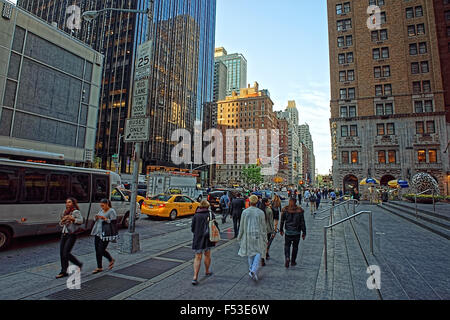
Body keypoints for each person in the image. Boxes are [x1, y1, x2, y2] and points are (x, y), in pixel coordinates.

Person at [237, 195, 267, 281]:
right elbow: (263, 226)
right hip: (258, 234)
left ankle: (251, 270)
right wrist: (265, 238)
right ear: (257, 202)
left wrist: (239, 236)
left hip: (248, 235)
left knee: (250, 253)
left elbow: (242, 226)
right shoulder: (260, 212)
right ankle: (253, 270)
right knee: (259, 252)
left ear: (249, 202)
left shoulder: (245, 212)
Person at [56, 198, 84, 279]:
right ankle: (64, 271)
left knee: (66, 252)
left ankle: (78, 264)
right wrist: (63, 220)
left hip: (71, 234)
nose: (67, 204)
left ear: (73, 203)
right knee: (62, 253)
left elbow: (81, 221)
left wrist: (73, 219)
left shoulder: (75, 211)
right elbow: (61, 223)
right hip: (64, 233)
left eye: (69, 202)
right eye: (66, 202)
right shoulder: (65, 212)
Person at [191, 200, 216, 285]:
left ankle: (195, 277)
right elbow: (214, 226)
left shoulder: (196, 215)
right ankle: (207, 271)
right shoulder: (210, 214)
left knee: (197, 257)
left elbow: (192, 228)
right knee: (207, 255)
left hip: (198, 238)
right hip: (207, 238)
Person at [91, 199, 117, 274]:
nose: (102, 207)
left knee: (101, 249)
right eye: (101, 205)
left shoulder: (111, 211)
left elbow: (114, 222)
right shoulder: (101, 210)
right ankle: (99, 267)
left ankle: (110, 259)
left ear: (107, 204)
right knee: (97, 250)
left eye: (103, 205)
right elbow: (96, 220)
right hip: (98, 232)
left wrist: (105, 219)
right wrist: (96, 218)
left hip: (106, 233)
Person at [280, 198, 306, 268]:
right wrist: (304, 232)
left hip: (288, 232)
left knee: (287, 246)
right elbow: (302, 222)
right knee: (295, 247)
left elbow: (282, 221)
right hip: (297, 232)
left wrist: (281, 230)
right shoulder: (299, 210)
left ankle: (287, 257)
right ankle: (293, 261)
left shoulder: (285, 210)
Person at [261, 198, 276, 266]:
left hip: (260, 229)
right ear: (265, 203)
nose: (269, 202)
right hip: (267, 229)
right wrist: (273, 231)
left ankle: (262, 256)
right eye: (268, 201)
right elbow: (271, 221)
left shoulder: (259, 209)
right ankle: (266, 253)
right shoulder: (269, 210)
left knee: (262, 244)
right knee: (267, 243)